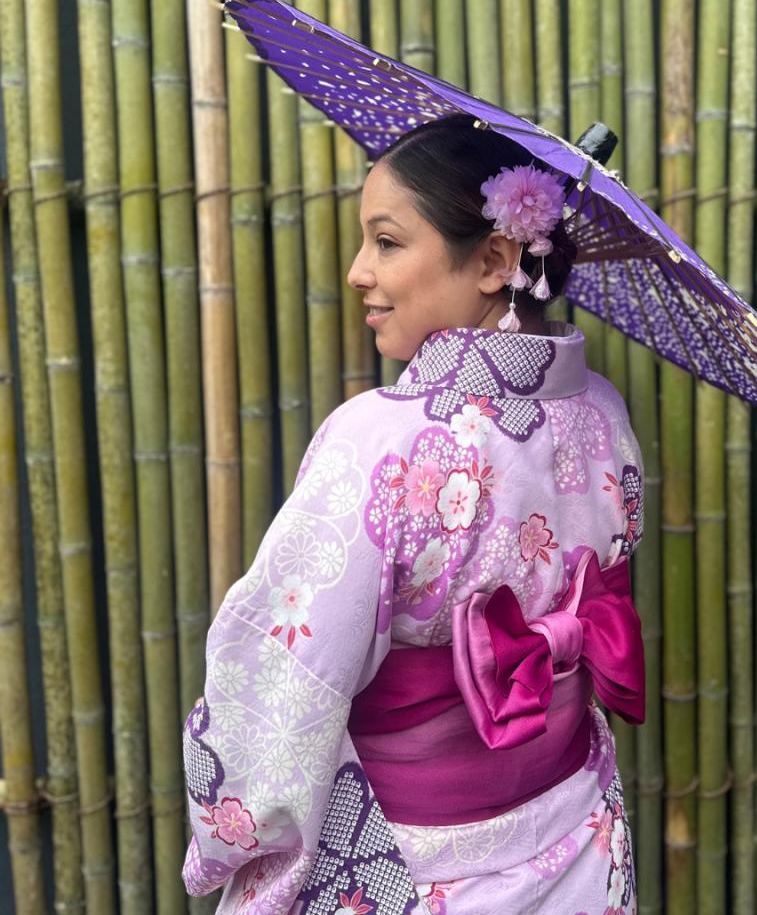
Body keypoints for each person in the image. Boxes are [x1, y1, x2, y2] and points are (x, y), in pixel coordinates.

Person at [181, 112, 646, 914]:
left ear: (497, 258)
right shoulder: (603, 416)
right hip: (578, 832)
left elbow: (278, 685)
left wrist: (237, 836)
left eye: (387, 242)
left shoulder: (382, 443)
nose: (359, 270)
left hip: (411, 864)